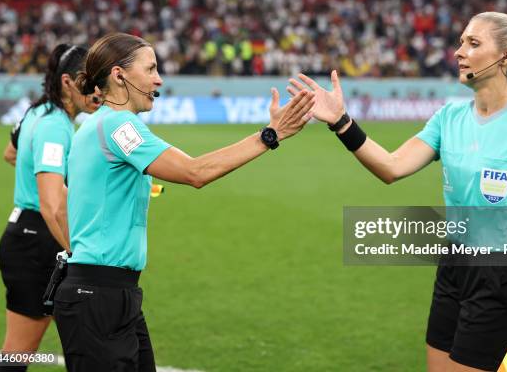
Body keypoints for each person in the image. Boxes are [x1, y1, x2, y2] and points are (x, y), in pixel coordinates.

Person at [289, 12, 507, 371]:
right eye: (461, 42)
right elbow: (391, 166)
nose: (459, 52)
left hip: (502, 275)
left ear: (505, 56)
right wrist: (341, 122)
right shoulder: (449, 118)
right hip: (453, 266)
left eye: (473, 43)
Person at [52, 32, 315, 371]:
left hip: (108, 292)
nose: (158, 79)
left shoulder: (97, 125)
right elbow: (195, 172)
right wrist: (269, 135)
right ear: (119, 75)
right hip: (99, 294)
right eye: (150, 69)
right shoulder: (118, 125)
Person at [0, 44, 99, 371]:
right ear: (68, 82)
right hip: (39, 243)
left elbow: (10, 154)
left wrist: (44, 178)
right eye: (89, 81)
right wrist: (84, 257)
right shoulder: (56, 128)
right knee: (18, 357)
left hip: (26, 237)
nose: (98, 91)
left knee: (81, 346)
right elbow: (52, 206)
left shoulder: (36, 112)